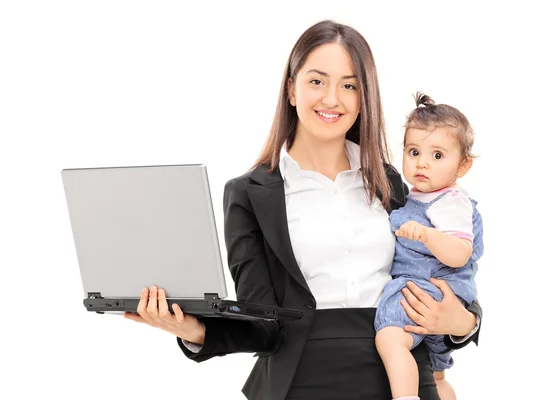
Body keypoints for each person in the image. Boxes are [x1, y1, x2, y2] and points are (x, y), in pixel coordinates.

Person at [123, 20, 482, 400]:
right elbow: (262, 323)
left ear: (364, 99)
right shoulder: (249, 195)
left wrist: (462, 322)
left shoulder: (391, 182)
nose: (332, 98)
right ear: (291, 89)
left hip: (403, 382)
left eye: (349, 85)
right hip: (303, 381)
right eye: (317, 81)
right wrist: (193, 330)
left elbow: (445, 268)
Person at [374, 93, 483, 400]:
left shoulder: (450, 202)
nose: (422, 163)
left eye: (437, 156)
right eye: (413, 151)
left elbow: (460, 253)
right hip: (430, 293)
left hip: (430, 289)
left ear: (463, 166)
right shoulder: (417, 196)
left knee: (390, 337)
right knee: (435, 375)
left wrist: (426, 236)